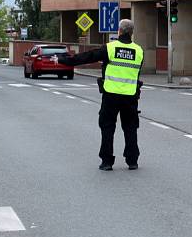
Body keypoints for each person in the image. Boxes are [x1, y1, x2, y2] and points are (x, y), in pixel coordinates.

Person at [54, 19, 144, 171]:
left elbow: (87, 57)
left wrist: (63, 60)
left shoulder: (110, 48)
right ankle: (132, 161)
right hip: (130, 96)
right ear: (132, 32)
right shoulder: (139, 51)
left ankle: (107, 162)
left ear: (119, 31)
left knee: (107, 127)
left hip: (111, 95)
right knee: (130, 128)